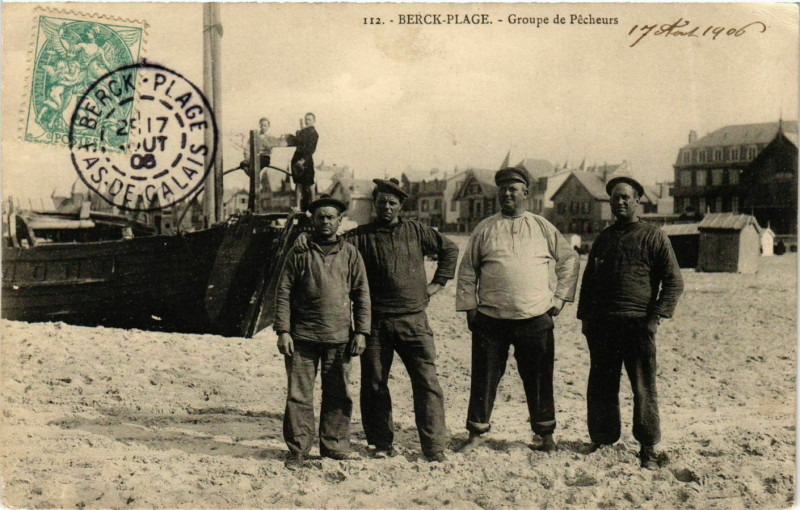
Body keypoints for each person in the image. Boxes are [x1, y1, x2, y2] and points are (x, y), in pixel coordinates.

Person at [294, 177, 459, 461]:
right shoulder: (360, 236)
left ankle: (434, 448)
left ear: (400, 206)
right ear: (374, 204)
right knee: (374, 384)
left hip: (414, 321)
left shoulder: (417, 231)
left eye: (392, 202)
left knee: (427, 382)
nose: (386, 207)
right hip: (375, 323)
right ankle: (381, 443)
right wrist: (306, 237)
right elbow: (331, 240)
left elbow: (450, 249)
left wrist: (437, 284)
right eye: (381, 201)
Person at [456, 167, 580, 453]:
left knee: (539, 378)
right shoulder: (485, 228)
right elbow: (467, 270)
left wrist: (559, 299)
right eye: (503, 189)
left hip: (535, 317)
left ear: (526, 193)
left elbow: (569, 261)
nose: (507, 193)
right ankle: (476, 433)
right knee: (484, 377)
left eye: (514, 188)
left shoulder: (542, 226)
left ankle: (545, 434)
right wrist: (470, 307)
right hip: (490, 318)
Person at [577, 175, 684, 470]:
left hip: (637, 326)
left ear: (638, 200)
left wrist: (656, 316)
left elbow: (674, 281)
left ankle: (648, 447)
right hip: (603, 327)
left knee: (642, 387)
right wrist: (586, 320)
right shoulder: (603, 239)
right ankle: (602, 439)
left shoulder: (654, 236)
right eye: (615, 198)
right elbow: (588, 283)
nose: (620, 202)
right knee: (601, 385)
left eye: (626, 197)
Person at [274, 195, 371, 470]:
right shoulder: (300, 251)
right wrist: (283, 330)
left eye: (331, 217)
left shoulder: (351, 254)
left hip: (339, 338)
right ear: (313, 221)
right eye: (320, 217)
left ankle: (334, 446)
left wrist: (361, 331)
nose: (326, 221)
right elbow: (282, 292)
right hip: (302, 338)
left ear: (339, 221)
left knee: (338, 394)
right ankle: (298, 450)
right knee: (298, 396)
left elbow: (362, 294)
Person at [286, 112, 319, 211]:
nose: (307, 121)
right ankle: (297, 207)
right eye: (306, 119)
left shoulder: (314, 134)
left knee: (310, 184)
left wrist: (303, 160)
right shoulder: (302, 132)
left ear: (313, 121)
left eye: (309, 119)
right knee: (298, 183)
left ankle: (313, 207)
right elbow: (297, 141)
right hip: (297, 158)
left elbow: (311, 148)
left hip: (306, 160)